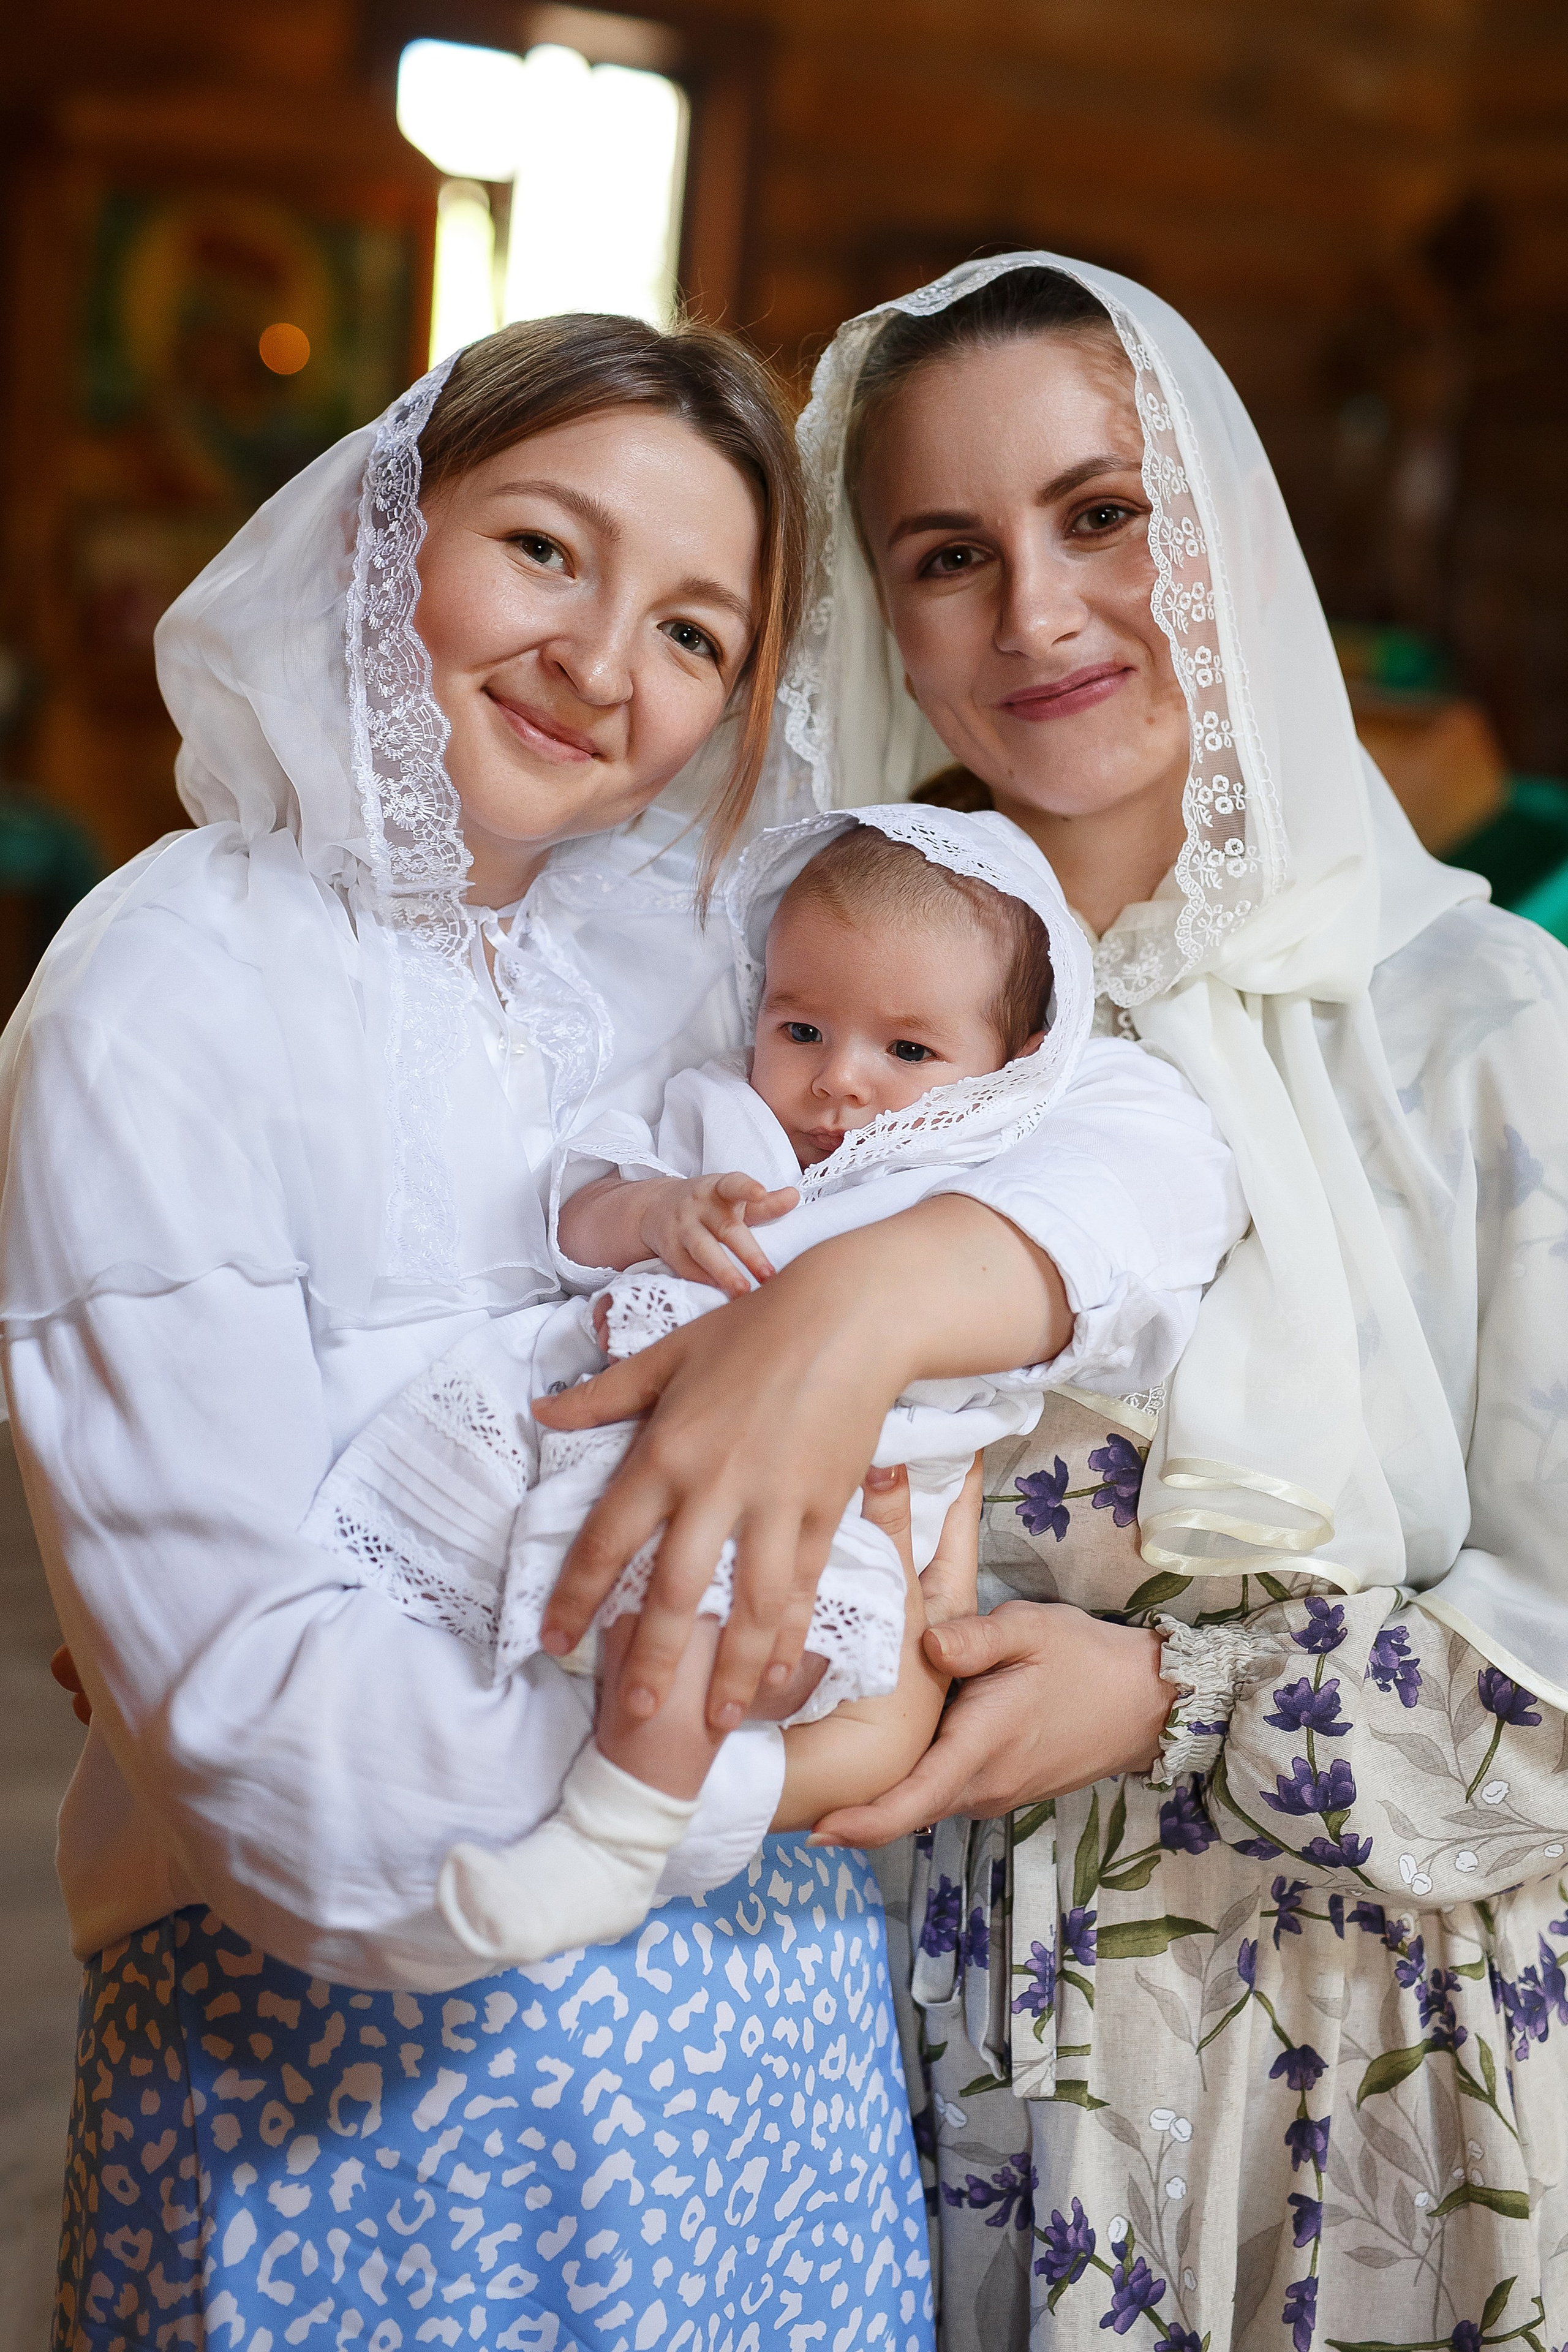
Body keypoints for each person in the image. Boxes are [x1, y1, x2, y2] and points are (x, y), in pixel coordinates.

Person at [6, 309, 1238, 2344]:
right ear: (388, 523)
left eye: (696, 633)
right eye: (547, 550)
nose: (603, 668)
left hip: (775, 2048)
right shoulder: (166, 989)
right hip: (367, 2053)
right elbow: (256, 1726)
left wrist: (865, 1298)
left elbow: (1125, 1129)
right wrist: (789, 1759)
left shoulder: (688, 929)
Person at [614, 251, 1566, 2348]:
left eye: (1101, 514)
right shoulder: (823, 1043)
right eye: (949, 554)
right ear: (887, 619)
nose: (1037, 611)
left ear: (1218, 526)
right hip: (907, 2070)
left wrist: (1174, 1704)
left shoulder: (1490, 1037)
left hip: (1350, 2102)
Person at [301, 802, 1239, 1967]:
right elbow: (578, 1217)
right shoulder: (718, 1113)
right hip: (618, 1416)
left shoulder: (984, 1161)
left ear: (1011, 1066)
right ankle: (368, 1728)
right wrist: (655, 1211)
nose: (839, 1081)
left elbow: (1099, 1302)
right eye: (803, 1026)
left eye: (907, 1050)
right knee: (460, 1560)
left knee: (710, 1610)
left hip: (846, 1479)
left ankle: (612, 1836)